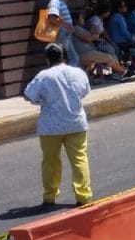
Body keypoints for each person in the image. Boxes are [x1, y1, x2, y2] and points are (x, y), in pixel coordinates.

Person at [24, 43, 92, 207]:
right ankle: (83, 196)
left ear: (48, 59)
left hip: (50, 126)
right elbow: (85, 91)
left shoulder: (43, 76)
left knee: (50, 161)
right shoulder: (78, 72)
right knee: (79, 159)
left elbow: (28, 95)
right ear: (65, 57)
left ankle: (50, 196)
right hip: (76, 122)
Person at [45, 0, 80, 68]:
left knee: (73, 58)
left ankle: (68, 78)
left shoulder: (59, 1)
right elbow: (51, 18)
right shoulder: (55, 2)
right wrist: (67, 26)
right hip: (62, 33)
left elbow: (64, 0)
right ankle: (59, 78)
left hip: (65, 34)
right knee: (60, 59)